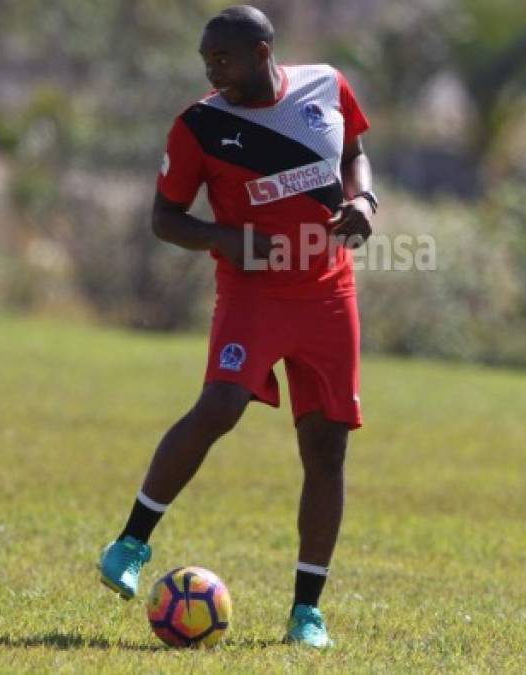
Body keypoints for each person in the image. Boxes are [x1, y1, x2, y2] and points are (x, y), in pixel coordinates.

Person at [97, 5, 377, 649]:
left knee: (327, 447)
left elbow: (358, 155)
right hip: (252, 293)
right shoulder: (198, 126)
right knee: (220, 405)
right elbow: (165, 219)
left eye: (222, 58)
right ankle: (131, 544)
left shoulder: (327, 87)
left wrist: (364, 199)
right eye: (206, 61)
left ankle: (307, 612)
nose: (211, 70)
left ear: (260, 52)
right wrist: (226, 239)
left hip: (329, 292)